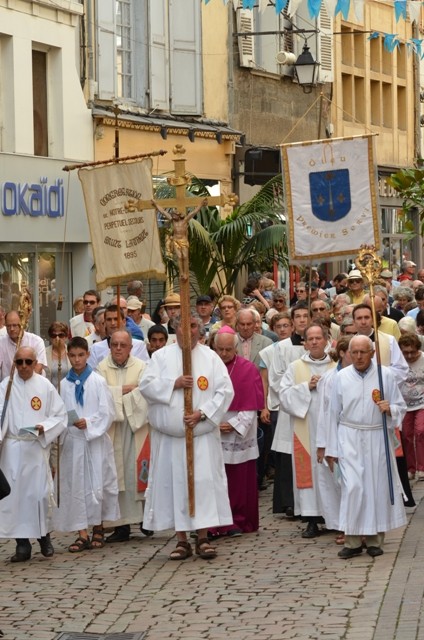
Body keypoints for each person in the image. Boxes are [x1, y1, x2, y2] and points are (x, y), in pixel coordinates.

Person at [139, 312, 234, 560]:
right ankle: (181, 539)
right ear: (175, 328)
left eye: (192, 325)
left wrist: (202, 414)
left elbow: (225, 392)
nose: (188, 330)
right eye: (182, 325)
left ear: (199, 329)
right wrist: (174, 383)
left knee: (202, 484)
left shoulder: (211, 358)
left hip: (201, 436)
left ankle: (203, 537)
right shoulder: (160, 357)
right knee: (175, 485)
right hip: (170, 438)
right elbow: (146, 386)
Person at [326, 335, 407, 559]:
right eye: (355, 352)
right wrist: (330, 448)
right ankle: (352, 540)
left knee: (376, 487)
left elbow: (401, 406)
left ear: (372, 352)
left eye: (364, 352)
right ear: (348, 353)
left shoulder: (385, 375)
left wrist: (390, 408)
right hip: (349, 437)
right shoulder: (341, 377)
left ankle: (374, 540)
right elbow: (332, 413)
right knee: (353, 488)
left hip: (376, 436)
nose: (359, 356)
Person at [0, 346, 67, 562]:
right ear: (14, 364)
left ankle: (44, 537)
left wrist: (44, 427)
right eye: (19, 362)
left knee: (38, 495)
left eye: (28, 362)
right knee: (15, 498)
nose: (24, 367)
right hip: (12, 449)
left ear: (35, 362)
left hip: (35, 447)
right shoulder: (6, 386)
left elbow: (60, 414)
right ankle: (22, 545)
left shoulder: (44, 385)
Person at [53, 337, 119, 552]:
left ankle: (98, 527)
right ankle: (81, 532)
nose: (77, 360)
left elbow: (107, 412)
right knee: (76, 486)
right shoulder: (64, 384)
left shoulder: (97, 381)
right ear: (68, 356)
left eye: (81, 355)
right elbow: (60, 412)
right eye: (72, 356)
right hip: (73, 442)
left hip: (94, 441)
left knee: (96, 484)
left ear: (88, 355)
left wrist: (89, 424)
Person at [280, 324, 336, 538]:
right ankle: (312, 519)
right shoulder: (295, 367)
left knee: (331, 472)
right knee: (309, 473)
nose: (313, 342)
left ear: (326, 340)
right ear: (304, 342)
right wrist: (306, 387)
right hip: (306, 430)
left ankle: (334, 518)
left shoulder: (336, 365)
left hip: (331, 430)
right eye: (309, 338)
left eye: (317, 338)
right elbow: (283, 397)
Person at [209, 327, 264, 537]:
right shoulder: (207, 368)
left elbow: (251, 406)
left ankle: (236, 520)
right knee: (214, 478)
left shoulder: (248, 369)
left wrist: (233, 425)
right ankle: (214, 522)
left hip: (239, 429)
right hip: (211, 428)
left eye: (228, 350)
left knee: (238, 481)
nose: (223, 354)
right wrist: (212, 422)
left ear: (236, 348)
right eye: (219, 349)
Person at [97, 330, 150, 542]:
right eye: (114, 344)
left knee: (134, 473)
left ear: (130, 347)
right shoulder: (101, 368)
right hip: (113, 429)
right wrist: (125, 390)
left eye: (123, 345)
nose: (118, 348)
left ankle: (145, 519)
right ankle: (121, 526)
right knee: (117, 476)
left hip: (136, 427)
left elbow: (145, 392)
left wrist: (116, 392)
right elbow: (101, 395)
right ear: (110, 346)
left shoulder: (142, 366)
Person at [398, 333, 424, 481]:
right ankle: (410, 468)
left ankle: (422, 467)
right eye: (405, 352)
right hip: (405, 404)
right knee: (407, 436)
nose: (409, 356)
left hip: (422, 402)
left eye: (412, 352)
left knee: (420, 431)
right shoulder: (399, 362)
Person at [0, 310, 47, 380]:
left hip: (34, 385)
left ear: (22, 324)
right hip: (9, 387)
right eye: (8, 326)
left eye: (15, 325)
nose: (11, 329)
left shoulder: (36, 341)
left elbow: (38, 368)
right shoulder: (1, 343)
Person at [45, 321, 71, 386]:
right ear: (50, 338)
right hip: (50, 392)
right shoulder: (44, 353)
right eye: (54, 335)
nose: (57, 338)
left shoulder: (71, 352)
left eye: (61, 335)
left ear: (66, 337)